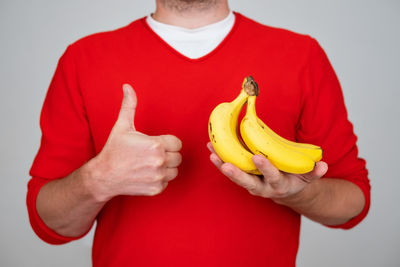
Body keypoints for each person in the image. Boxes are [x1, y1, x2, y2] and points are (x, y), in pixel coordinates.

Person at [26, 0, 370, 266]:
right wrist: (97, 179)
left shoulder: (302, 55)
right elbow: (51, 225)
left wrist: (295, 193)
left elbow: (353, 203)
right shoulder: (83, 59)